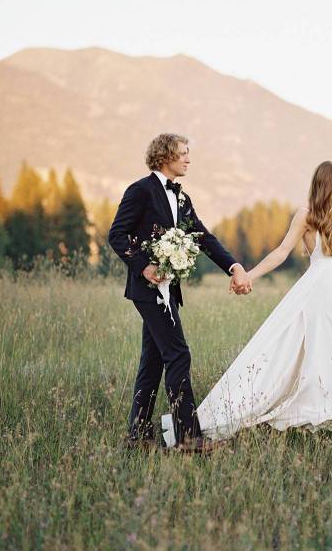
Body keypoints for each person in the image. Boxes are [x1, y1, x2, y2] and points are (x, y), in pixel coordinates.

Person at [189, 160, 332, 442]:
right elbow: (281, 252)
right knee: (296, 351)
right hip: (319, 294)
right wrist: (250, 275)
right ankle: (290, 410)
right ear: (323, 184)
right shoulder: (306, 214)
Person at [108, 133, 252, 454]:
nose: (188, 159)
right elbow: (117, 234)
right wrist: (144, 266)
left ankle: (138, 437)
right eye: (183, 153)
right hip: (148, 289)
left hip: (169, 290)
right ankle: (188, 437)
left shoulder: (181, 197)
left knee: (154, 360)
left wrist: (234, 267)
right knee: (178, 354)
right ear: (164, 156)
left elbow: (202, 237)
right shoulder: (140, 190)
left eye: (189, 153)